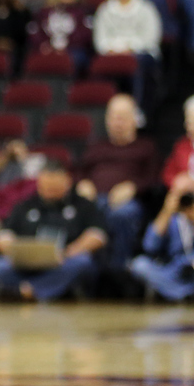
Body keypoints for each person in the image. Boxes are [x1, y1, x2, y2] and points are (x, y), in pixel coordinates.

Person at [0, 160, 106, 301]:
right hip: (27, 263)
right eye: (46, 187)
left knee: (83, 262)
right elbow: (3, 236)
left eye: (55, 188)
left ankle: (31, 290)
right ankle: (49, 289)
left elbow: (97, 235)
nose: (50, 192)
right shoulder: (25, 205)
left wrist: (71, 251)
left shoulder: (83, 205)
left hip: (65, 260)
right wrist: (14, 252)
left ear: (67, 181)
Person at [75, 94, 159, 271]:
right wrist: (83, 183)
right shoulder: (96, 146)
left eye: (122, 117)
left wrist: (134, 187)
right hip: (94, 199)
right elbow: (78, 171)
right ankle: (87, 268)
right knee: (82, 212)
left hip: (126, 203)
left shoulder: (146, 147)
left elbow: (154, 178)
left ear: (135, 120)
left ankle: (117, 270)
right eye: (113, 117)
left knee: (122, 215)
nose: (117, 122)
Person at [130, 186, 194, 301]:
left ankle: (174, 294)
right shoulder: (169, 216)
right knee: (139, 265)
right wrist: (166, 212)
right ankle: (189, 295)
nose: (185, 202)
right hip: (172, 269)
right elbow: (149, 246)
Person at [91, 0, 162, 117]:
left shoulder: (146, 9)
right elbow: (100, 39)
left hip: (141, 52)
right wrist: (112, 48)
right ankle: (103, 114)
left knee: (136, 64)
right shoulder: (105, 9)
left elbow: (151, 38)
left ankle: (138, 111)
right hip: (111, 52)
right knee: (98, 65)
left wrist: (129, 47)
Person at [26, 0, 94, 73]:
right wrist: (44, 45)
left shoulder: (84, 12)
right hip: (47, 49)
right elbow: (35, 31)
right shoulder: (44, 11)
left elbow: (85, 35)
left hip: (73, 50)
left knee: (78, 57)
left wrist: (65, 47)